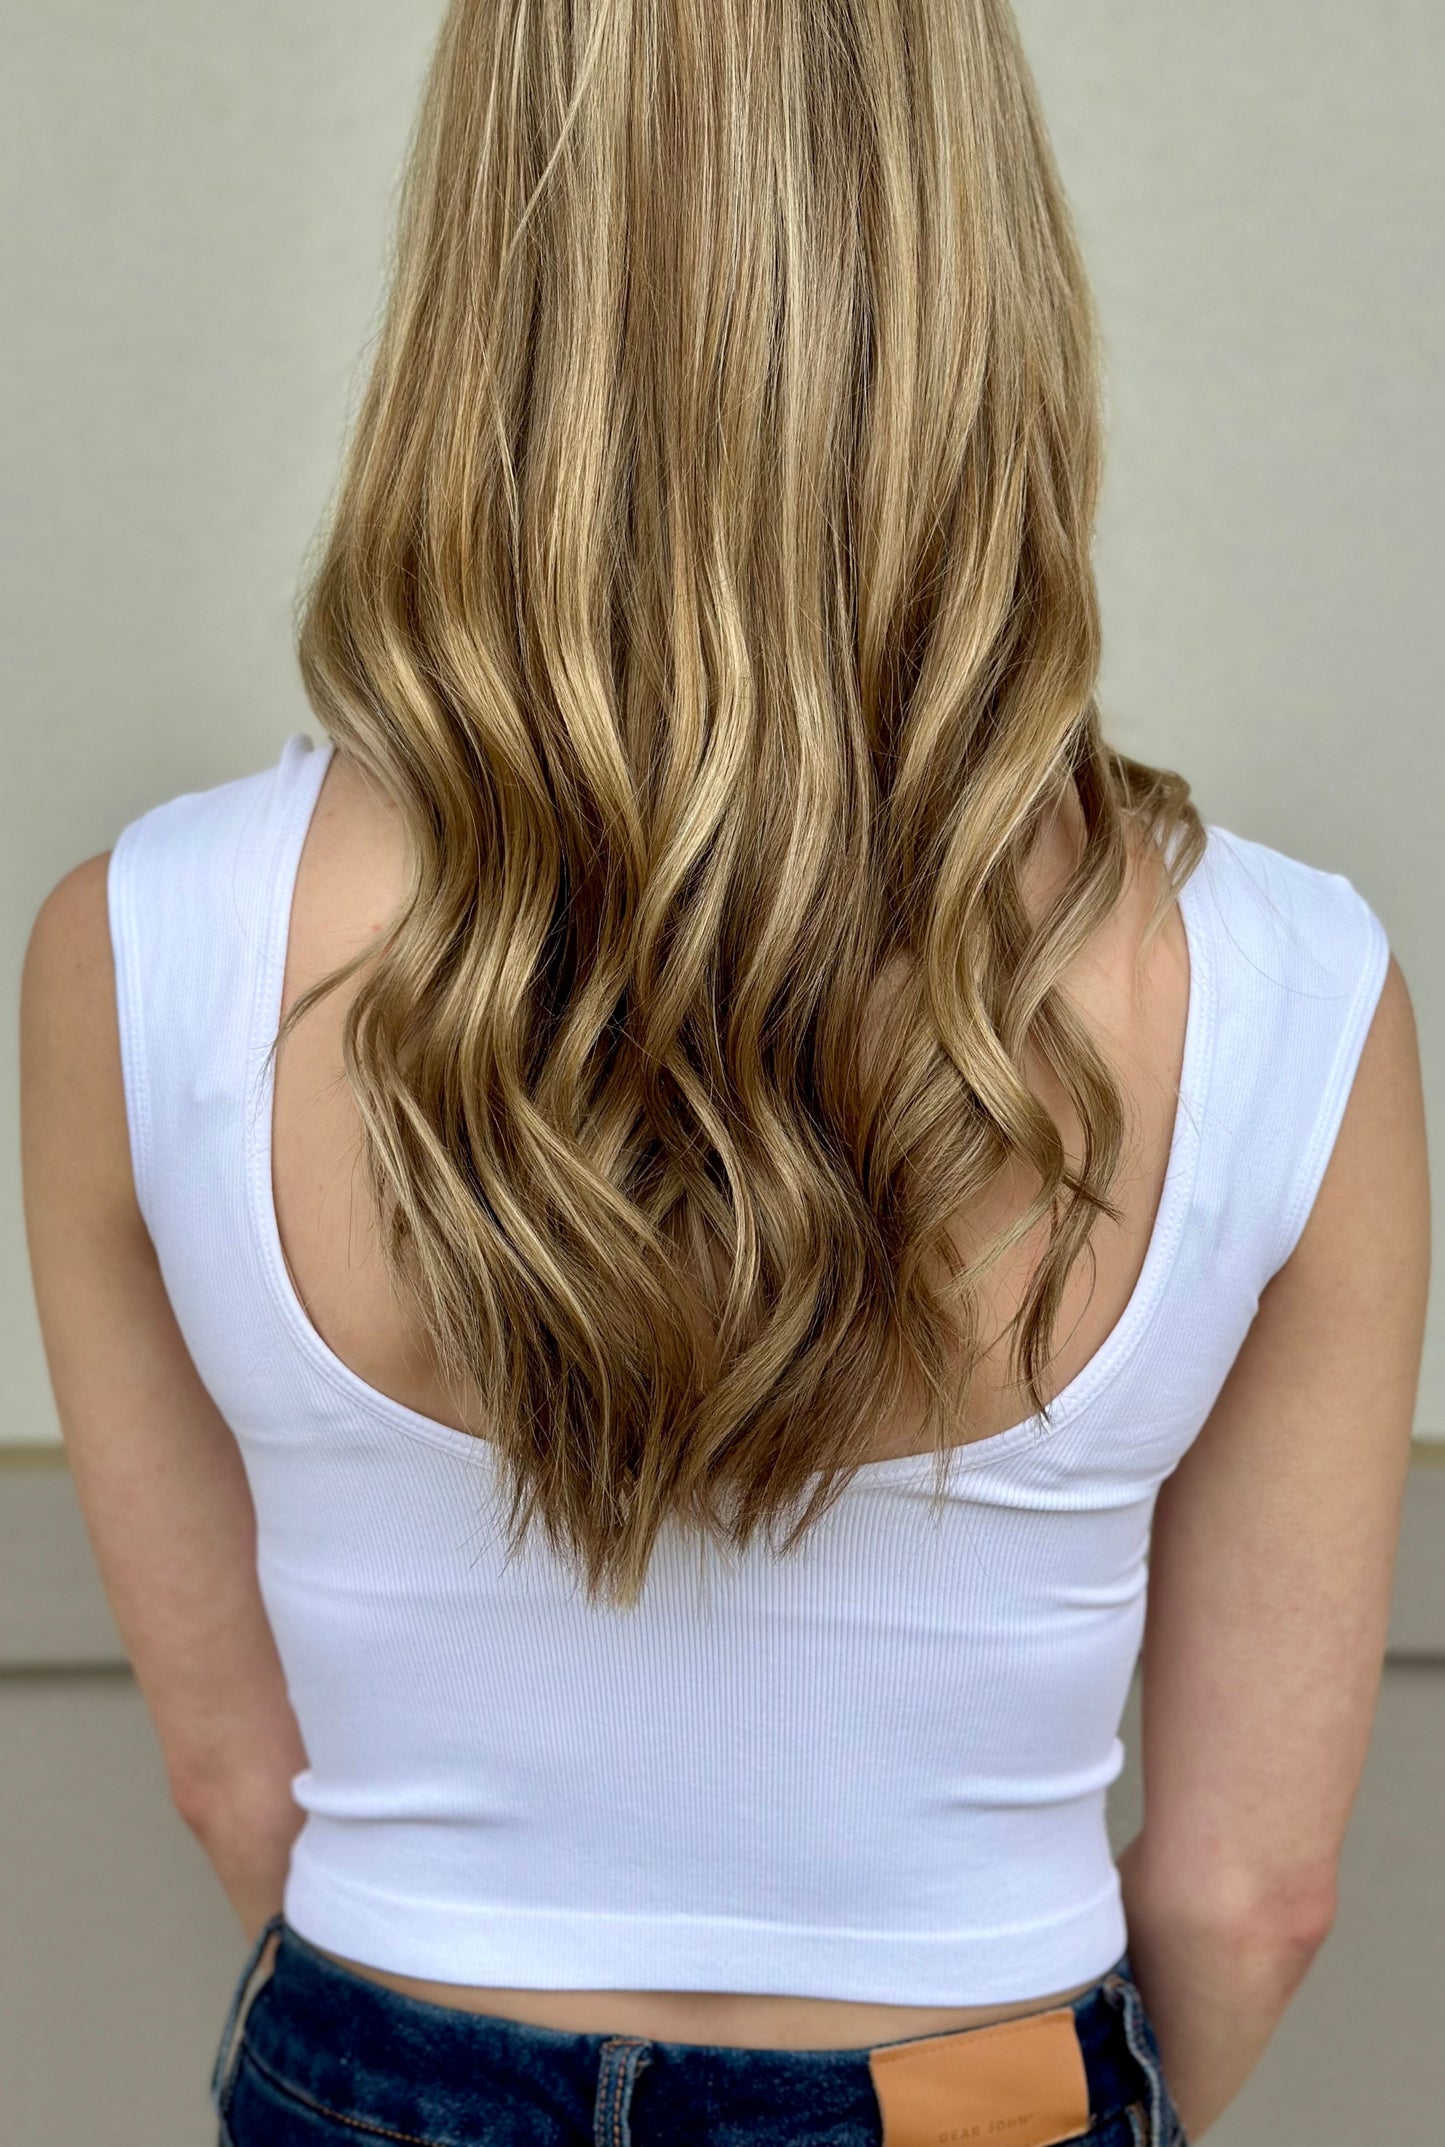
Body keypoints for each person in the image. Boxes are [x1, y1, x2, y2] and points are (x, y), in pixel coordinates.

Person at [18, 2, 1429, 2143]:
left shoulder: (140, 951)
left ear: (485, 260)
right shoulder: (1290, 993)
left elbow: (235, 1776)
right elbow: (1252, 1896)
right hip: (976, 2092)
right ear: (981, 267)